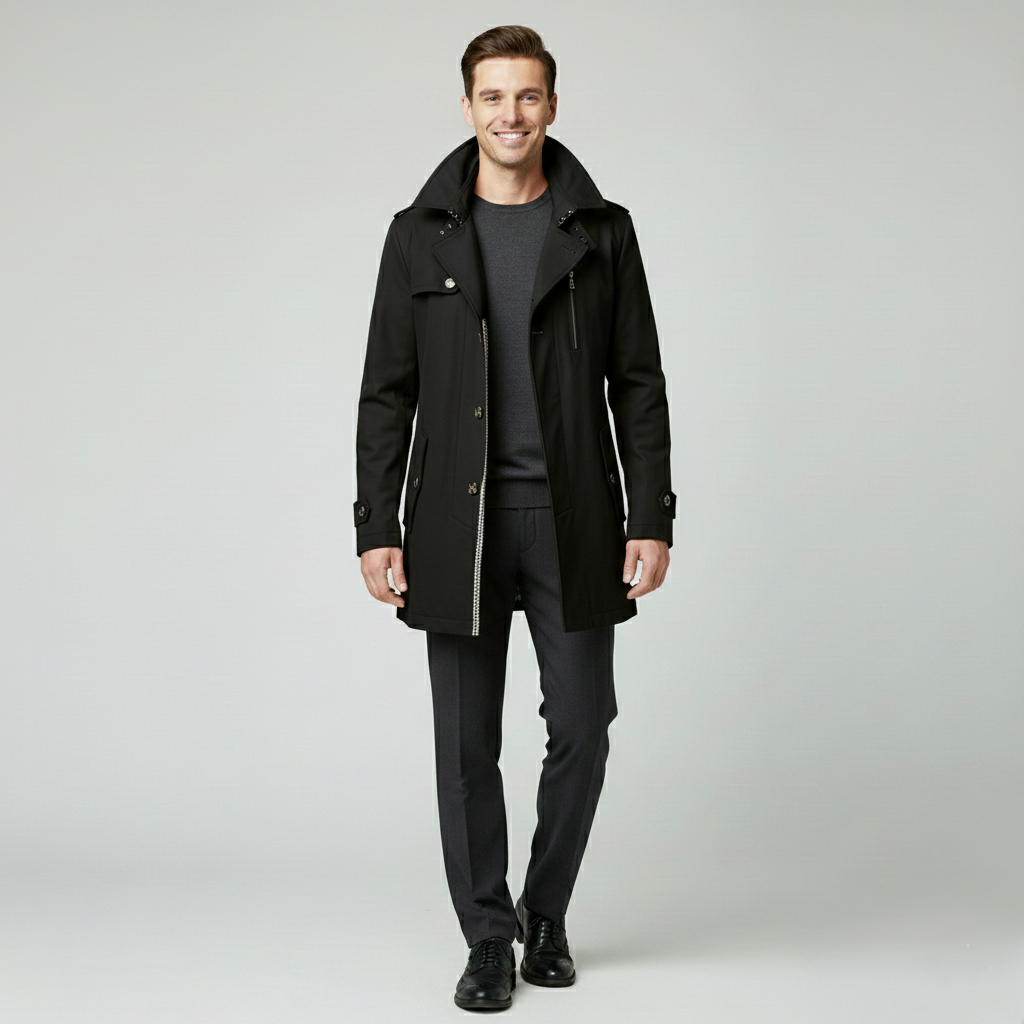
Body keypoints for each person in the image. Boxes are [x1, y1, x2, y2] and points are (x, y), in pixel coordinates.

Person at [355, 25, 674, 1012]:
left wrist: (650, 514)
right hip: (455, 529)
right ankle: (487, 938)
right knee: (464, 744)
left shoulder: (602, 231)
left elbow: (638, 382)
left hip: (573, 518)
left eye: (527, 95)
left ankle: (545, 915)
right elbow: (387, 391)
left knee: (583, 723)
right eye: (492, 96)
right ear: (467, 107)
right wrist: (376, 525)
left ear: (552, 106)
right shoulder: (418, 234)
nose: (510, 113)